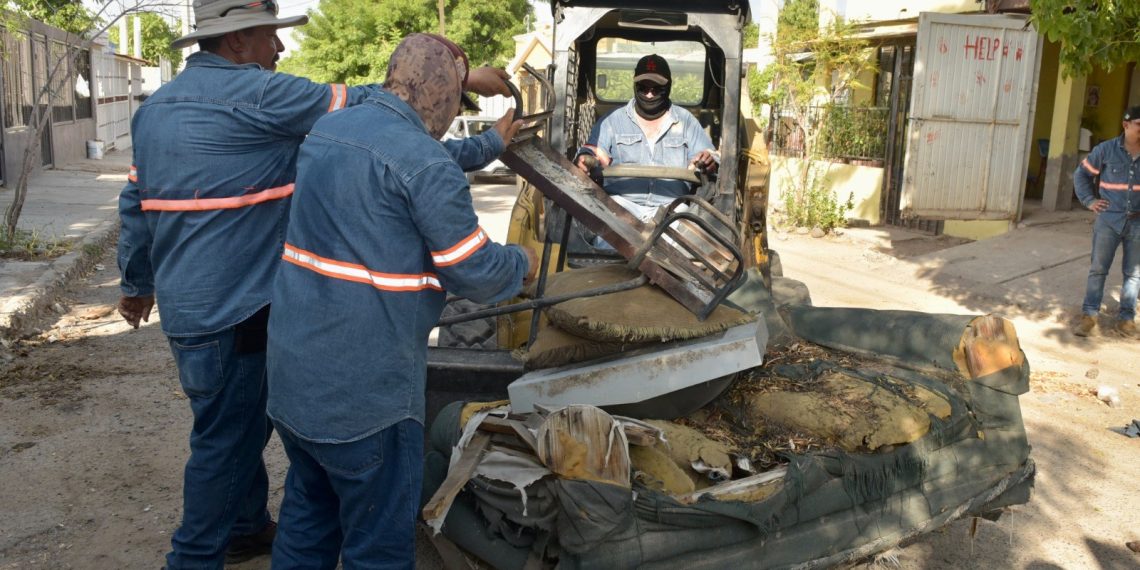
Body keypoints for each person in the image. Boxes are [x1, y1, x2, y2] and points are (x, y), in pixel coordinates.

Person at [115, 1, 515, 567]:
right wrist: (457, 76)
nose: (280, 49)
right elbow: (384, 113)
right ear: (236, 42)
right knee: (225, 447)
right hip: (242, 310)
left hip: (189, 311)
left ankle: (248, 528)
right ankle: (193, 559)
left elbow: (134, 200)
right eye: (269, 36)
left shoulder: (155, 108)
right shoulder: (261, 95)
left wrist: (137, 282)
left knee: (245, 437)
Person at [264, 33, 537, 568]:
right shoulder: (424, 164)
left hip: (295, 381)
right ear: (444, 93)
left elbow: (414, 157)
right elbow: (475, 271)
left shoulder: (331, 130)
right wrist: (522, 262)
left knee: (308, 519)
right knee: (379, 548)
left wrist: (489, 144)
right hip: (367, 398)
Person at [574, 53, 719, 223]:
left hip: (673, 209)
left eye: (656, 89)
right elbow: (593, 152)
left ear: (668, 87)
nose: (649, 95)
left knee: (692, 236)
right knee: (600, 236)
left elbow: (708, 155)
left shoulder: (686, 121)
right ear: (635, 85)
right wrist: (586, 158)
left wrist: (708, 160)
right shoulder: (612, 120)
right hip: (621, 206)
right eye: (643, 88)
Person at [1072, 105, 1140, 338]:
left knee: (1134, 273)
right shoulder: (1106, 150)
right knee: (1098, 269)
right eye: (1139, 125)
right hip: (1109, 221)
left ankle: (1126, 319)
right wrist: (1089, 200)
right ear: (1126, 125)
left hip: (1137, 223)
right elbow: (1081, 174)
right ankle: (1089, 315)